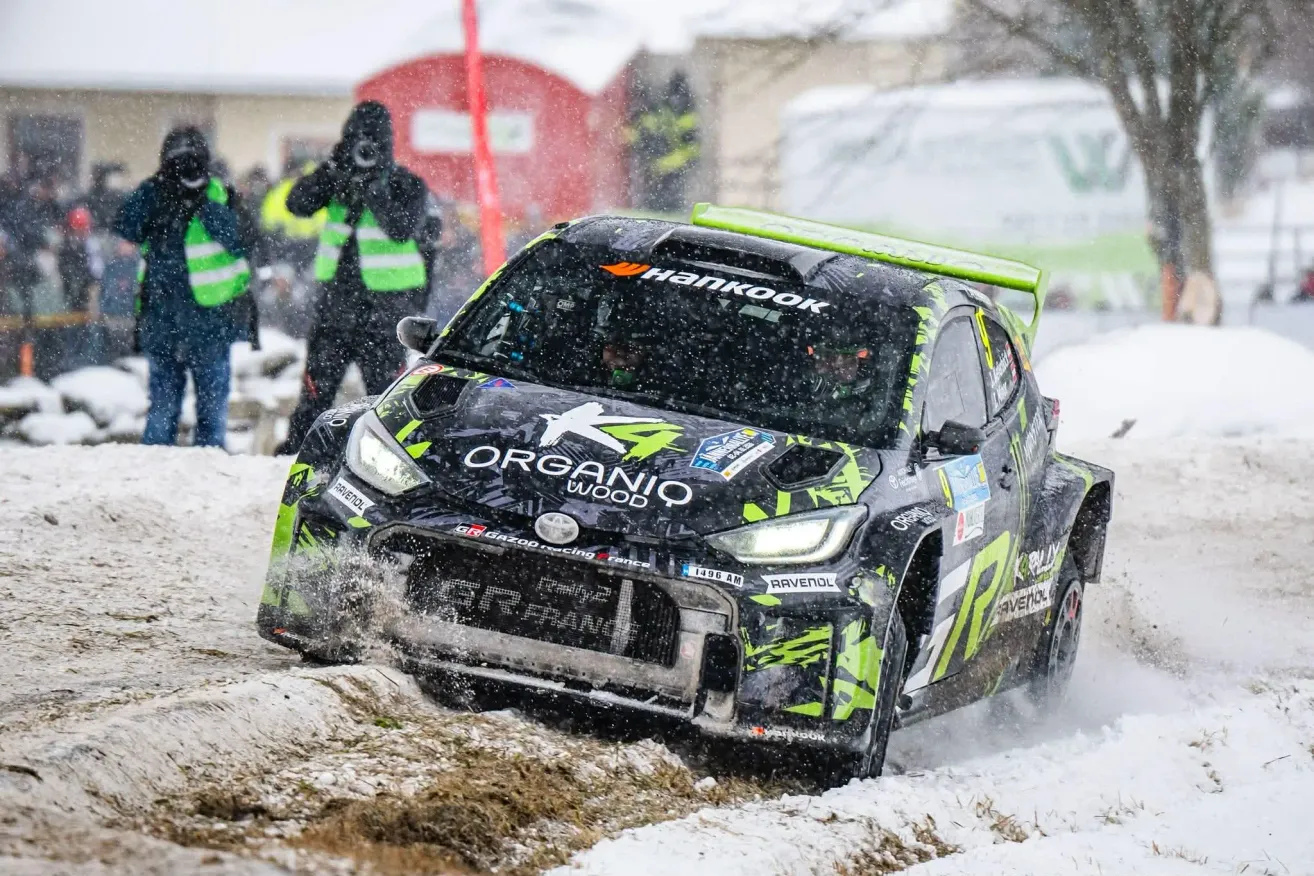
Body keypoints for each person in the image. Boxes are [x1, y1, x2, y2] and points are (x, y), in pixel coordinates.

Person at [275, 101, 431, 455]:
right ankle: (296, 456)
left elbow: (402, 228)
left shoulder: (406, 183)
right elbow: (296, 204)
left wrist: (375, 190)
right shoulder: (337, 178)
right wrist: (332, 169)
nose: (365, 153)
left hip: (385, 312)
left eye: (372, 145)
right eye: (358, 143)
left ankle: (389, 462)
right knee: (315, 393)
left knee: (386, 401)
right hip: (336, 307)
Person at [114, 127, 258, 448]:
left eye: (192, 164)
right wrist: (155, 187)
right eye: (177, 165)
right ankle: (155, 469)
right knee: (162, 412)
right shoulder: (155, 194)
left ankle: (208, 469)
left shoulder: (220, 195)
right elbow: (125, 226)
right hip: (163, 320)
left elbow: (243, 241)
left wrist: (203, 202)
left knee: (211, 414)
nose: (185, 173)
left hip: (210, 324)